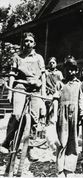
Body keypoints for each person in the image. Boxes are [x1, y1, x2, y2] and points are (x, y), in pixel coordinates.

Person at [0, 32, 46, 161]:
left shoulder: (39, 58)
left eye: (31, 41)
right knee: (17, 114)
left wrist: (42, 94)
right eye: (26, 41)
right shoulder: (17, 57)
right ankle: (7, 141)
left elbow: (43, 76)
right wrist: (10, 91)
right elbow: (12, 74)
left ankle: (30, 148)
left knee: (34, 118)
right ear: (23, 43)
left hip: (35, 89)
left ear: (34, 43)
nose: (28, 43)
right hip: (20, 87)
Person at [51, 55, 81, 177]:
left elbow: (82, 101)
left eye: (73, 69)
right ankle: (60, 169)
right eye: (68, 69)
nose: (71, 71)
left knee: (73, 141)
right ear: (65, 70)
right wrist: (54, 114)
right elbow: (55, 99)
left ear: (77, 70)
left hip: (75, 114)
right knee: (62, 141)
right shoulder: (60, 84)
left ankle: (69, 168)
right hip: (62, 114)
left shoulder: (80, 84)